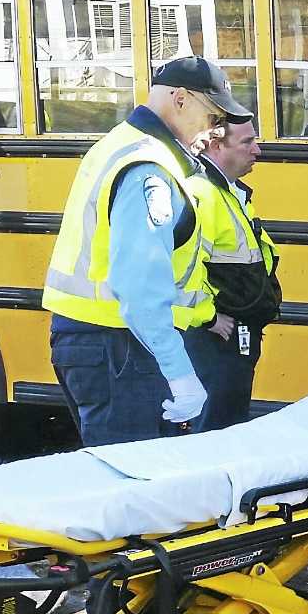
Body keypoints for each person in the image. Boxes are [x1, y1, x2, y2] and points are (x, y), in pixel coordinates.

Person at [42, 56, 249, 446]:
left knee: (120, 477)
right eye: (214, 117)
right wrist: (181, 375)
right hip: (120, 346)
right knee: (132, 483)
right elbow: (139, 289)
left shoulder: (124, 146)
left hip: (101, 343)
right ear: (182, 99)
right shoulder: (148, 169)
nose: (217, 132)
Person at [182, 115, 280, 431]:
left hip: (234, 332)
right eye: (247, 142)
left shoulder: (229, 192)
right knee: (215, 427)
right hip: (214, 339)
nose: (257, 151)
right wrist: (207, 317)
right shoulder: (202, 193)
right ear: (215, 144)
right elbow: (181, 265)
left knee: (228, 421)